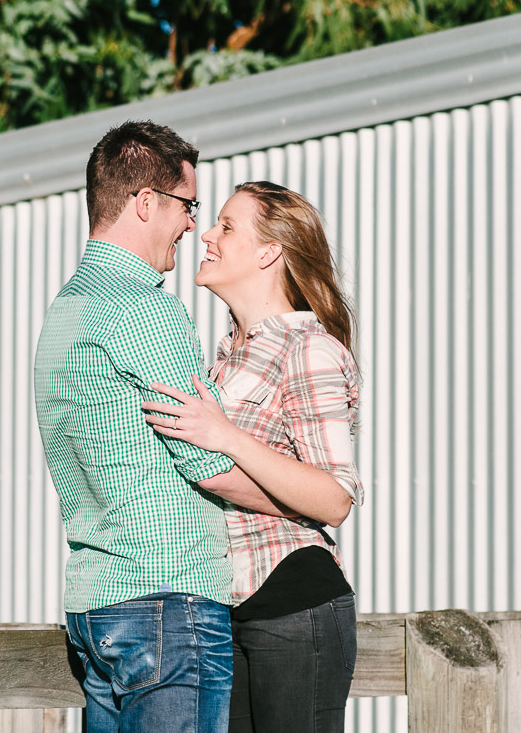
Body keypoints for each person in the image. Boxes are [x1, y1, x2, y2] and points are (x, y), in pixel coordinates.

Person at [35, 120, 258, 733]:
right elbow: (209, 461)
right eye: (188, 206)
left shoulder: (66, 311)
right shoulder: (142, 307)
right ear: (144, 203)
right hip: (165, 600)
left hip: (96, 604)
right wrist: (307, 499)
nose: (193, 225)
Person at [142, 181, 364, 733]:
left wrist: (228, 437)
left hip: (292, 600)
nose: (206, 235)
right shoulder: (222, 356)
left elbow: (334, 498)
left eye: (226, 226)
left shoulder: (307, 347)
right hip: (225, 605)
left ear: (269, 253)